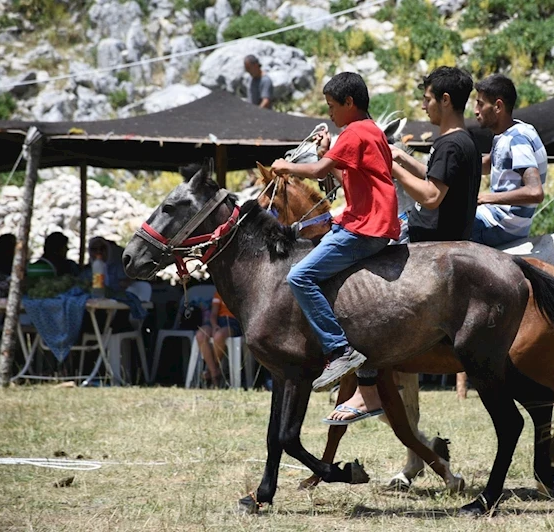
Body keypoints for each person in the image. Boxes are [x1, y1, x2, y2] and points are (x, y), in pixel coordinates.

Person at [325, 66, 482, 423]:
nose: (423, 106)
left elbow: (430, 196)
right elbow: (436, 177)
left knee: (358, 290)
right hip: (447, 233)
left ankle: (367, 390)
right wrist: (398, 156)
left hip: (425, 235)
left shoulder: (447, 144)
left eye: (427, 99)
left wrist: (390, 168)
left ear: (444, 100)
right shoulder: (464, 141)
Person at [270, 72, 400, 392]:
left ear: (349, 103)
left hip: (364, 229)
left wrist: (286, 167)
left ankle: (339, 350)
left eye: (331, 106)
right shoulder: (370, 131)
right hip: (372, 224)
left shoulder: (354, 133)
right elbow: (338, 181)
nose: (329, 113)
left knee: (299, 277)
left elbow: (318, 173)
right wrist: (326, 150)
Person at [471, 74, 547, 247]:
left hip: (501, 225)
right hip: (497, 217)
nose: (476, 110)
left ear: (498, 106)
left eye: (481, 104)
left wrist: (485, 198)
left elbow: (535, 192)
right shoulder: (509, 132)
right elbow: (488, 165)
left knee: (440, 228)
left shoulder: (516, 140)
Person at [195, 291, 242, 388]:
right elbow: (213, 314)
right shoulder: (219, 293)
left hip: (233, 322)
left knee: (219, 336)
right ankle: (214, 372)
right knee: (200, 335)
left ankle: (211, 372)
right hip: (218, 320)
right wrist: (214, 325)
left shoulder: (240, 291)